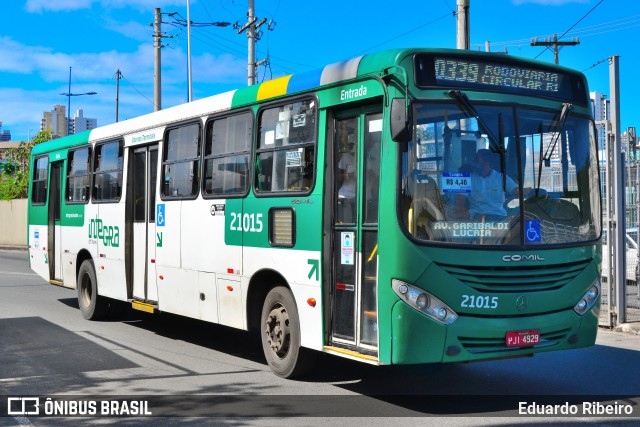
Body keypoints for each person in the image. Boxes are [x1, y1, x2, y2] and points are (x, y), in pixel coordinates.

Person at [457, 148, 517, 221]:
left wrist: (529, 192)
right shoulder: (468, 178)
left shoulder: (501, 177)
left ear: (486, 162)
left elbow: (515, 190)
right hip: (477, 217)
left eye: (477, 159)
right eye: (475, 159)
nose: (474, 162)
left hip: (499, 217)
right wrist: (461, 214)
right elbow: (460, 200)